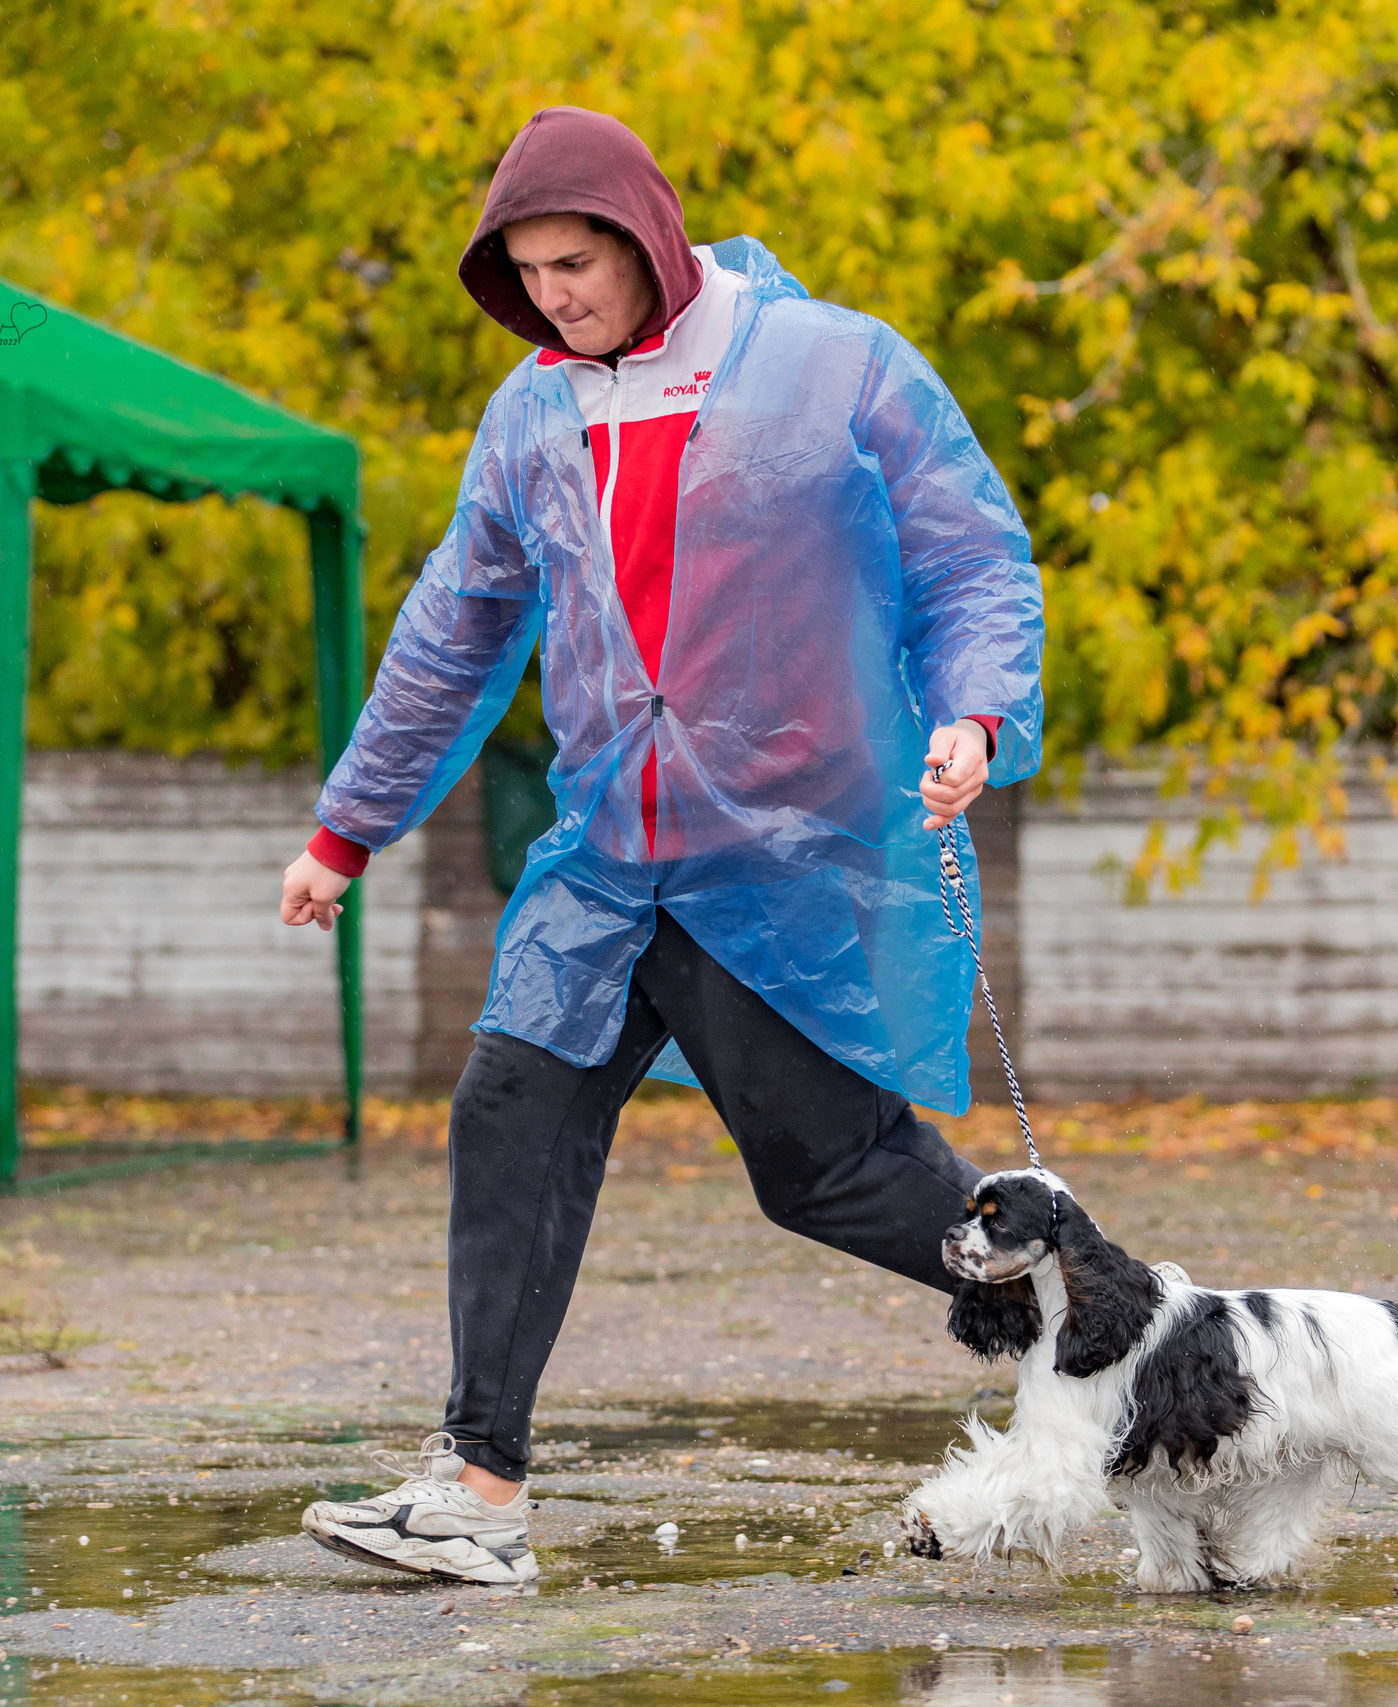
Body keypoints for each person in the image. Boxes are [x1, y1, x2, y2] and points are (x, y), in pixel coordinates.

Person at [281, 108, 1042, 1586]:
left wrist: (974, 713)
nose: (556, 293)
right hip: (604, 861)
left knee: (825, 1171)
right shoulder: (532, 413)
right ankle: (479, 1487)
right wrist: (347, 826)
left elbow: (971, 552)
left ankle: (1100, 1316)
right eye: (528, 270)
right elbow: (453, 629)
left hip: (779, 857)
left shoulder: (834, 363)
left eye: (578, 260)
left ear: (646, 232)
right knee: (511, 1108)